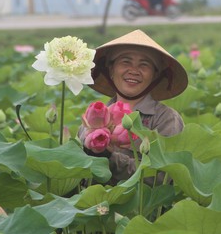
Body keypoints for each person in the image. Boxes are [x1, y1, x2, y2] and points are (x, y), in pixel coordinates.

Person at [79, 29, 188, 184]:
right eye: (126, 62)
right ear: (111, 69)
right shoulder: (94, 116)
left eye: (144, 65)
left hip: (141, 207)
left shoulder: (166, 119)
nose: (134, 71)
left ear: (155, 75)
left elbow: (162, 177)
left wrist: (110, 158)